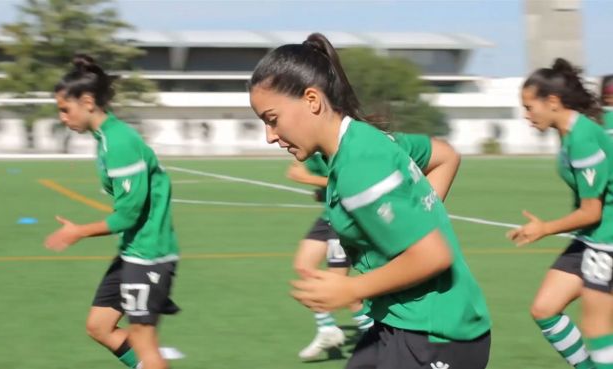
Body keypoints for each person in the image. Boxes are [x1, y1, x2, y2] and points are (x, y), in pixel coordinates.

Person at [249, 32, 491, 369]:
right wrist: (415, 219)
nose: (270, 136)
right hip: (398, 323)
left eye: (272, 120)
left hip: (436, 334)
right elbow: (446, 155)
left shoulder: (358, 167)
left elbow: (433, 255)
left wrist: (351, 289)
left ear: (312, 100)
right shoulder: (367, 141)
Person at [44, 54, 180, 369]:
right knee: (99, 326)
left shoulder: (119, 142)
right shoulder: (106, 139)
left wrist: (78, 231)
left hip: (150, 254)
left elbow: (127, 216)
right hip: (133, 250)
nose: (63, 117)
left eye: (65, 109)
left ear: (88, 101)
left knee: (146, 344)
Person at [288, 132, 461, 361]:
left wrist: (309, 180)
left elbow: (350, 180)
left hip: (356, 217)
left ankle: (372, 329)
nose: (274, 135)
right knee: (304, 265)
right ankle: (328, 328)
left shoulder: (357, 145)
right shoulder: (309, 147)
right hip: (331, 216)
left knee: (346, 287)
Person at [508, 58, 612, 369]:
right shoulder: (568, 131)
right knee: (545, 308)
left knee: (598, 332)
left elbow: (591, 211)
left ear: (552, 101)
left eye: (529, 107)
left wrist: (544, 228)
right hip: (592, 237)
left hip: (606, 240)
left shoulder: (581, 137)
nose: (527, 116)